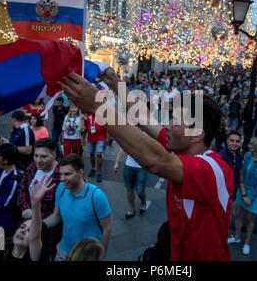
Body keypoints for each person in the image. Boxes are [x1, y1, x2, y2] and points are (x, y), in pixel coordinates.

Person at [58, 68, 235, 261]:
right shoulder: (177, 146)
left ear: (197, 134)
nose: (166, 125)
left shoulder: (213, 169)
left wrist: (100, 108)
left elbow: (154, 160)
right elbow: (143, 118)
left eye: (174, 121)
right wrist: (116, 83)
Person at [43, 154, 112, 261]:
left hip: (86, 255)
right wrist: (39, 225)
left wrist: (100, 256)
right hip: (63, 250)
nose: (62, 178)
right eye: (60, 174)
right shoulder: (61, 188)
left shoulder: (97, 196)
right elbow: (57, 216)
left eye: (67, 174)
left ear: (80, 172)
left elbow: (107, 228)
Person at [0, 176, 53, 261]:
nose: (22, 231)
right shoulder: (0, 247)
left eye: (30, 231)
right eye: (22, 227)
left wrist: (35, 204)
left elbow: (34, 238)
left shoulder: (34, 257)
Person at [17, 138, 62, 259]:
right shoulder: (32, 167)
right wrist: (26, 208)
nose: (38, 160)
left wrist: (38, 225)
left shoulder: (61, 176)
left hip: (49, 234)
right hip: (27, 226)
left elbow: (60, 213)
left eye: (43, 156)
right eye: (36, 155)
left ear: (54, 155)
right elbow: (22, 188)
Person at [227, 137, 257, 255]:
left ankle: (247, 242)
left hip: (253, 193)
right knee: (238, 214)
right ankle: (236, 237)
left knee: (251, 218)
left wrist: (251, 197)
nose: (248, 145)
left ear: (256, 146)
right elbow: (241, 172)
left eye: (251, 144)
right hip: (242, 188)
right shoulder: (247, 156)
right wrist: (241, 190)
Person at [114, 144, 149, 218]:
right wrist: (116, 162)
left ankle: (143, 202)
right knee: (129, 189)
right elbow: (122, 146)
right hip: (129, 166)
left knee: (140, 191)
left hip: (142, 167)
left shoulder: (147, 133)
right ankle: (131, 209)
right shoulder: (130, 133)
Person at [219, 131, 243, 202]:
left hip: (233, 193)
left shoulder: (239, 155)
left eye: (237, 141)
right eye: (232, 141)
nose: (235, 144)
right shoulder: (221, 156)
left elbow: (239, 174)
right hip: (221, 194)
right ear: (227, 141)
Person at [84, 113, 108, 183]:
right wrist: (83, 137)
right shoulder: (87, 113)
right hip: (91, 137)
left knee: (99, 154)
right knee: (91, 153)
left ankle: (99, 173)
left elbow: (107, 126)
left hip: (101, 137)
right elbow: (85, 126)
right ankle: (93, 168)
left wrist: (107, 137)